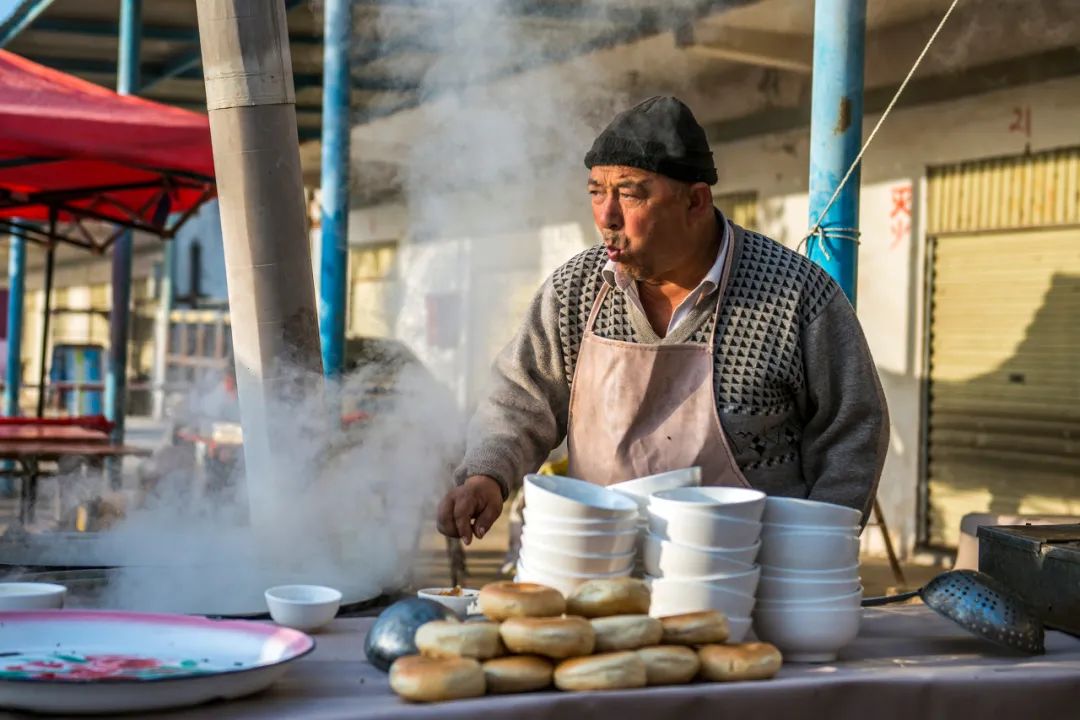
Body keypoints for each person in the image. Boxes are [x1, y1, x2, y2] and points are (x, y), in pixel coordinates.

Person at [437, 96, 889, 546]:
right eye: (596, 192)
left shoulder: (794, 294)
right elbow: (520, 400)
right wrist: (486, 474)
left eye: (630, 193)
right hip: (600, 571)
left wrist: (815, 554)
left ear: (695, 201)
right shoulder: (576, 289)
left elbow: (852, 431)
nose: (607, 216)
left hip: (745, 581)